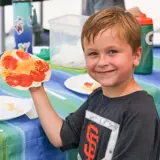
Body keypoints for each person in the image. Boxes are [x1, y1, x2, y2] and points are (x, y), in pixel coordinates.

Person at [29, 7, 160, 160]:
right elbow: (61, 137)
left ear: (136, 56)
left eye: (112, 51)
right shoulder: (98, 96)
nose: (102, 62)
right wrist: (36, 88)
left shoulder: (140, 112)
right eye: (93, 54)